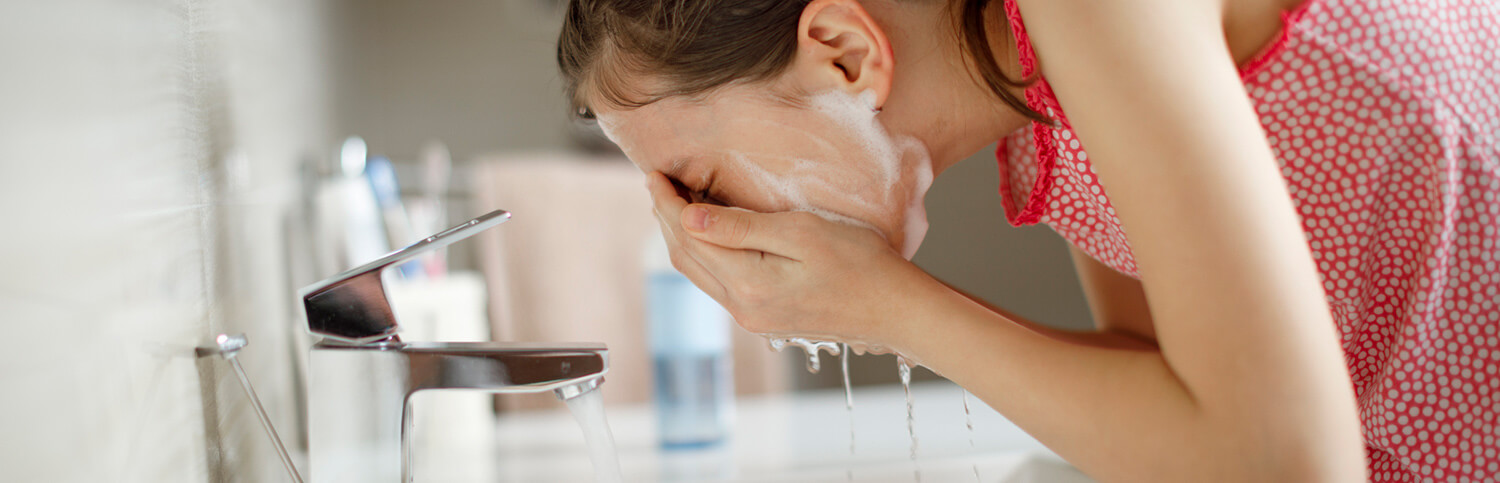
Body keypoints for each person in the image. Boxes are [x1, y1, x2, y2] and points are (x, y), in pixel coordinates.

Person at [555, 0, 1499, 480]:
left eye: (695, 182)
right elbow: (1173, 397)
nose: (687, 230)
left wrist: (889, 305)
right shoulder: (1040, 116)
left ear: (844, 50)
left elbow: (1285, 461)